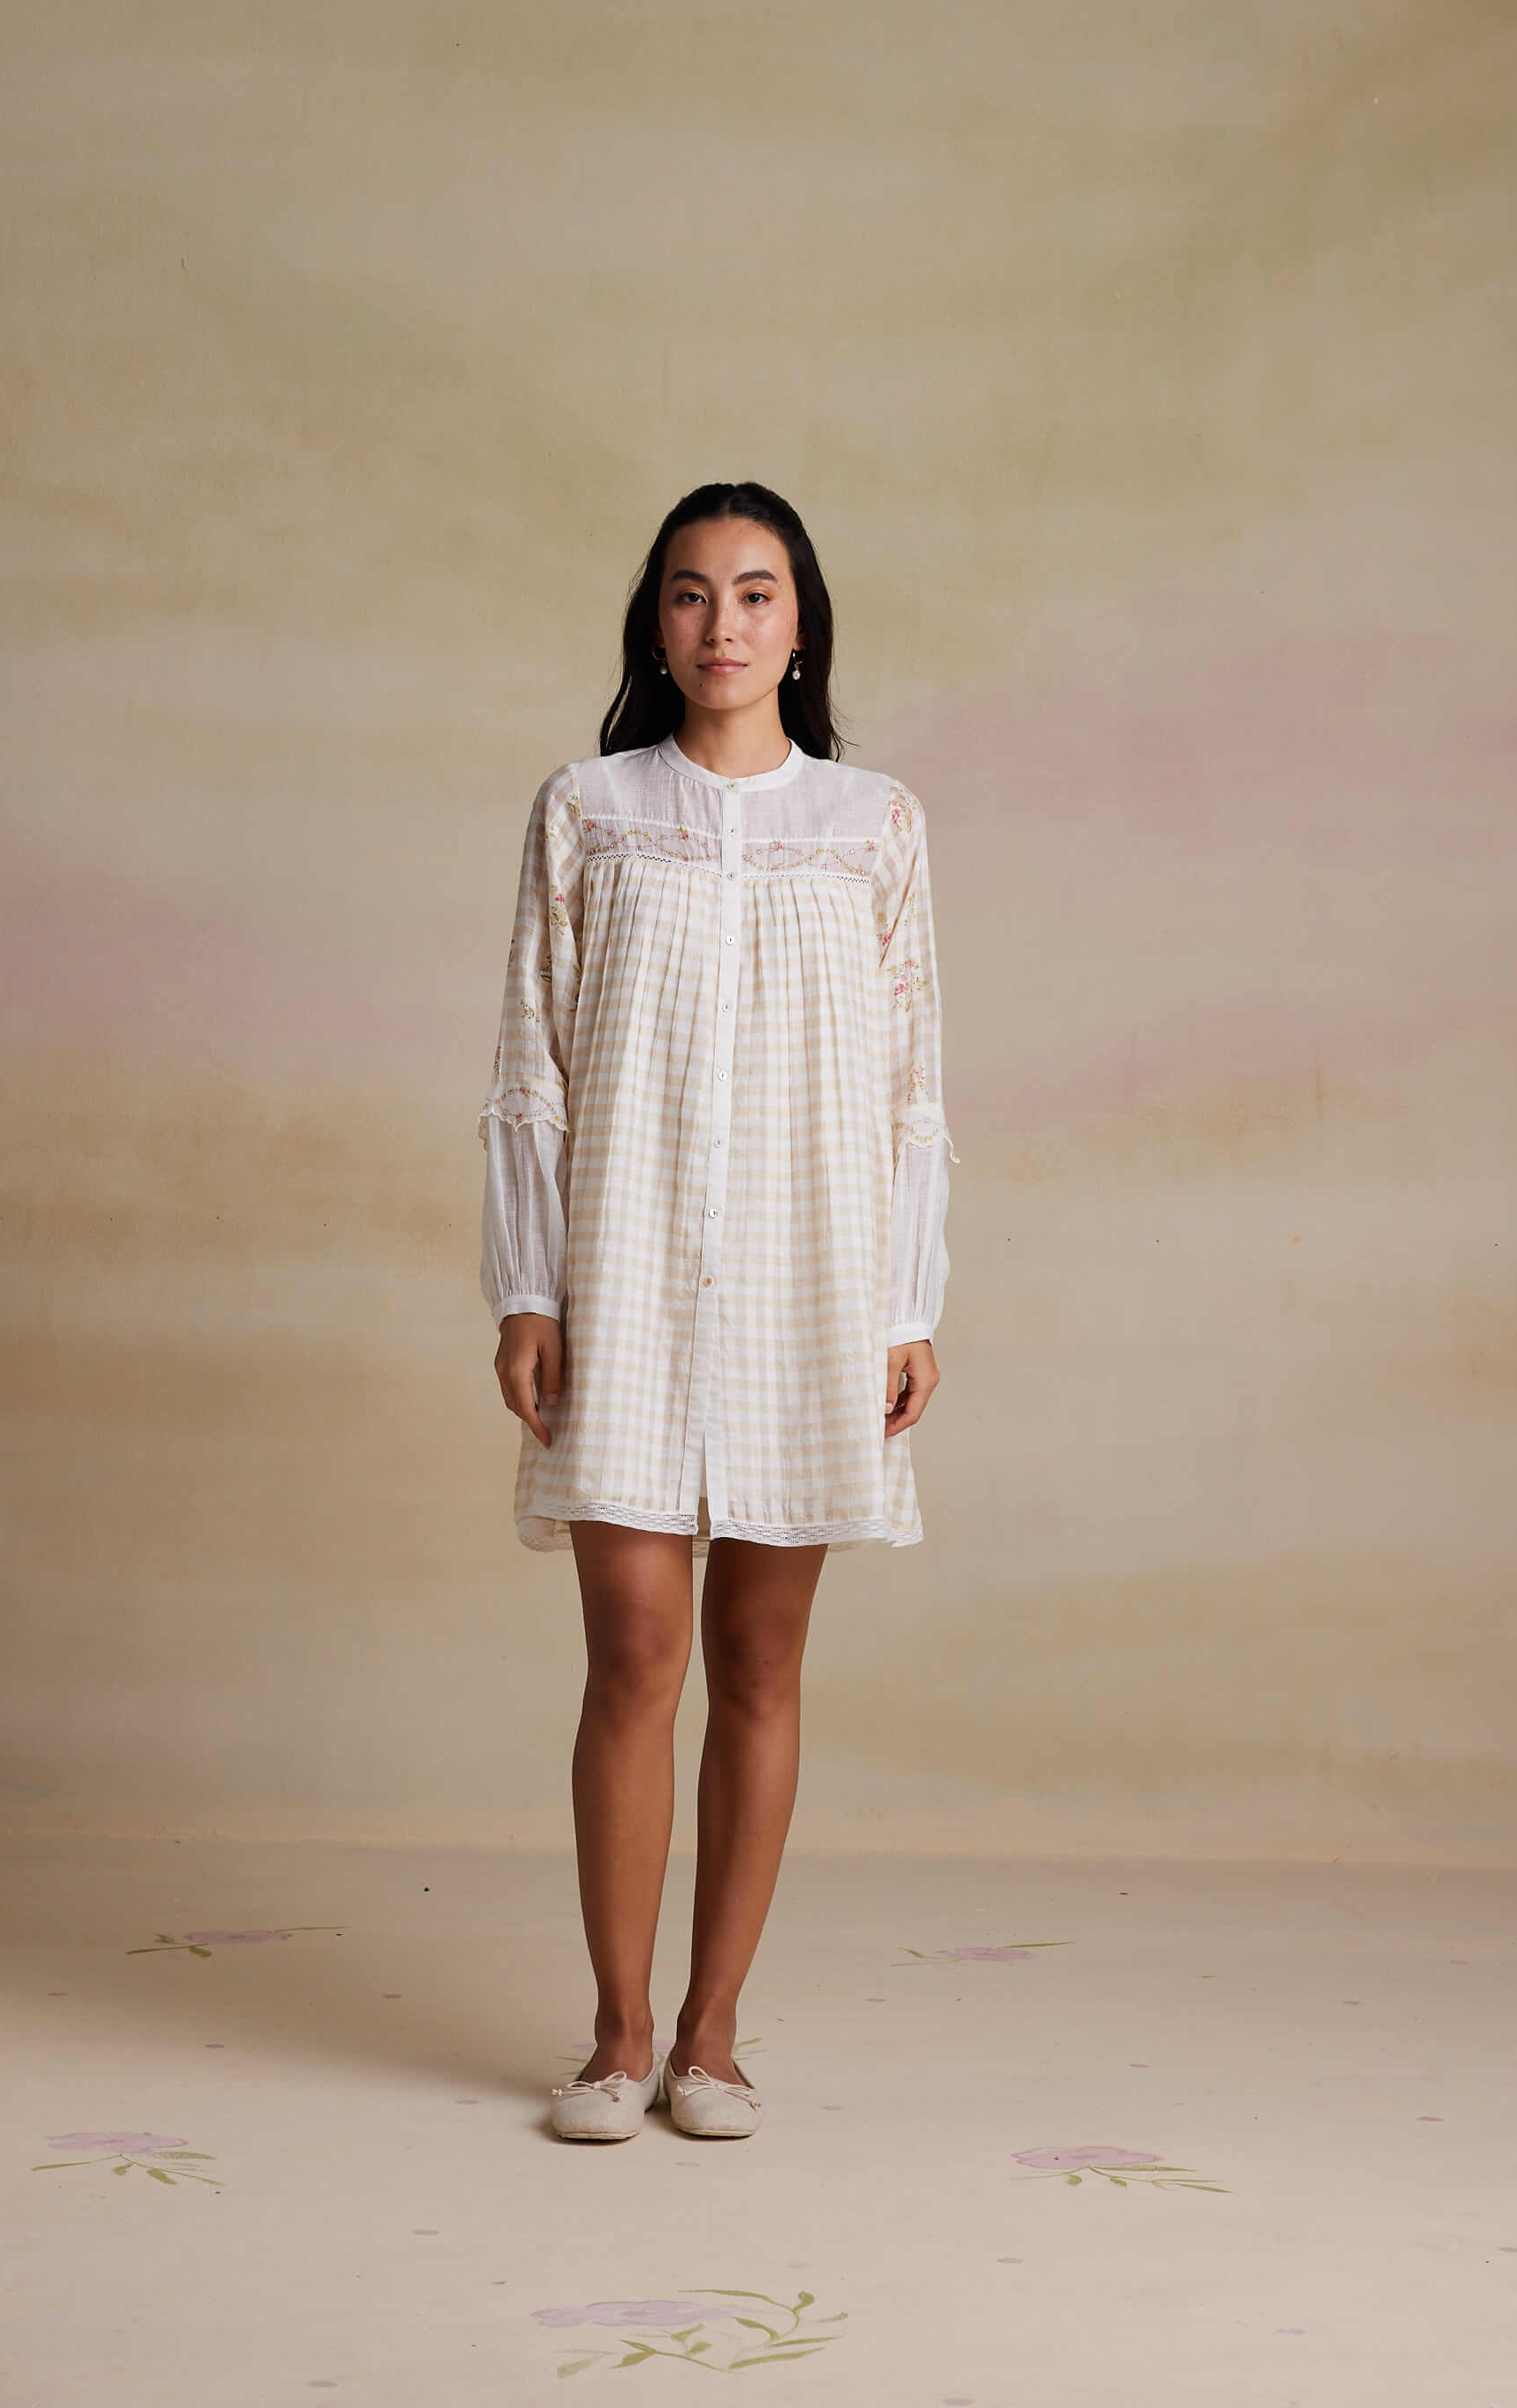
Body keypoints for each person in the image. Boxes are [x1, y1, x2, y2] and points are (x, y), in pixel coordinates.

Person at [476, 481, 955, 2142]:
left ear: (800, 622)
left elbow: (910, 1090)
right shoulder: (588, 810)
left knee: (760, 1662)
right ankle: (615, 2037)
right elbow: (530, 1065)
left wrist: (904, 1305)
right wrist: (527, 1286)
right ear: (654, 624)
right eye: (690, 595)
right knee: (635, 1654)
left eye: (755, 594)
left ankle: (714, 2035)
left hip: (809, 1284)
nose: (723, 624)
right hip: (621, 1273)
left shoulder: (873, 824)